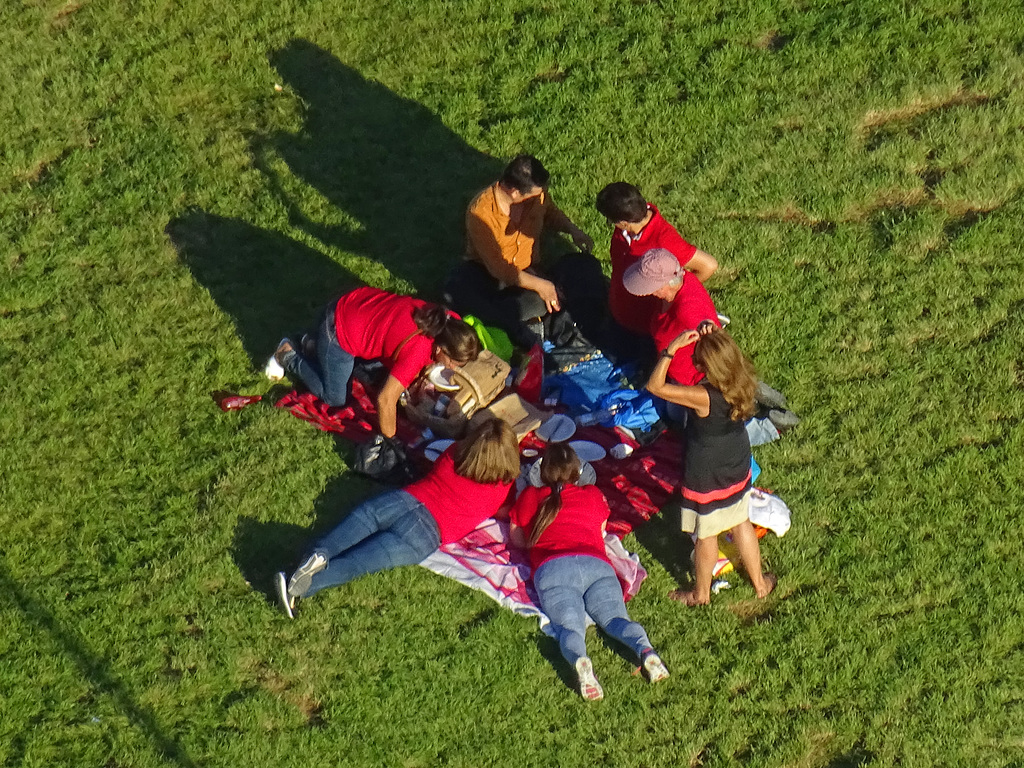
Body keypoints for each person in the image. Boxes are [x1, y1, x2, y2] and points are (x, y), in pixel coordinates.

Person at [275, 418, 521, 618]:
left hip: (403, 500)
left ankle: (318, 554)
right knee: (357, 564)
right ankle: (296, 586)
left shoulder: (454, 453)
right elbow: (503, 512)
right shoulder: (502, 488)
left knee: (354, 525)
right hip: (425, 534)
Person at [509, 444, 670, 700]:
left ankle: (581, 661)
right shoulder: (592, 493)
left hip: (553, 569)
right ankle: (646, 651)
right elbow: (601, 529)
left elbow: (517, 539)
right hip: (596, 565)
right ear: (578, 473)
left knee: (570, 628)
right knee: (616, 619)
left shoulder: (530, 496)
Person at [645, 327, 778, 606]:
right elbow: (725, 351)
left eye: (699, 360)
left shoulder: (703, 396)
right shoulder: (742, 380)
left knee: (706, 535)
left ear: (709, 367)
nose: (694, 363)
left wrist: (671, 349)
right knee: (741, 521)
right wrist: (714, 334)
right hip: (736, 461)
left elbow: (655, 386)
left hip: (708, 473)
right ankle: (760, 584)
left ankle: (700, 594)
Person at [265, 286, 480, 438]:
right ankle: (288, 354)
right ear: (440, 348)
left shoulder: (449, 319)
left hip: (355, 302)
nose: (451, 367)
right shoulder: (418, 350)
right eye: (452, 362)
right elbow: (385, 400)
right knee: (335, 398)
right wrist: (390, 439)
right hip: (339, 330)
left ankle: (312, 344)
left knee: (372, 372)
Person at [444, 154, 596, 347]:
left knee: (559, 286)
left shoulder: (536, 196)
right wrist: (542, 286)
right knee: (458, 287)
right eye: (533, 195)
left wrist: (573, 231)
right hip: (488, 272)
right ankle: (507, 321)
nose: (539, 197)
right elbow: (500, 269)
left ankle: (498, 319)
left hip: (527, 272)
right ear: (514, 192)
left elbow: (549, 212)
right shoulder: (480, 214)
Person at [596, 181, 718, 343]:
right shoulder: (627, 227)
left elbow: (708, 266)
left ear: (624, 222)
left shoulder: (664, 240)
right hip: (620, 309)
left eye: (610, 221)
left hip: (645, 324)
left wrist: (672, 292)